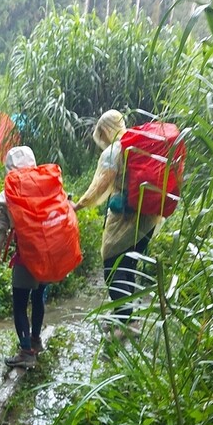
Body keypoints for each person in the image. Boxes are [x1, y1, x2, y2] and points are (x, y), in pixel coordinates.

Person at [70, 109, 162, 332]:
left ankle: (125, 323)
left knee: (112, 267)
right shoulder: (139, 143)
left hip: (126, 219)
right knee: (129, 265)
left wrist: (79, 205)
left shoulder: (115, 151)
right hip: (149, 217)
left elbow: (100, 186)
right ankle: (127, 315)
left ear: (105, 130)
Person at [0, 145, 47, 368]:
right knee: (39, 298)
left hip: (26, 256)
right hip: (49, 254)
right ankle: (36, 340)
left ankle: (26, 352)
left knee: (20, 305)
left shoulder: (6, 197)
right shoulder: (46, 189)